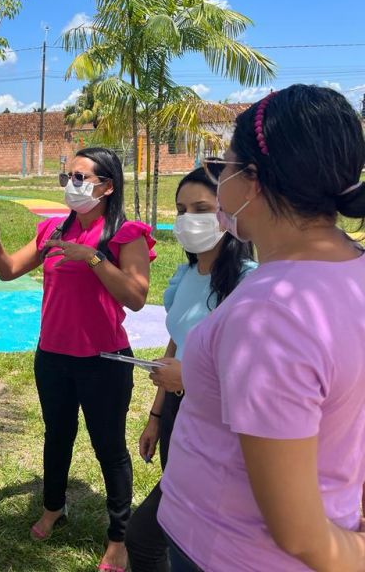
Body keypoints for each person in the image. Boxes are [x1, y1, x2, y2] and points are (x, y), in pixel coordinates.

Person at [158, 84, 365, 570]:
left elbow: (300, 534)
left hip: (228, 552)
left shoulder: (272, 313)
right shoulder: (349, 270)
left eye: (224, 166)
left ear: (251, 180)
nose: (219, 182)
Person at [0, 147, 155, 572]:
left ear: (107, 186)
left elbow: (136, 296)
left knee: (109, 446)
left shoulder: (126, 234)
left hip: (104, 358)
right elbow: (7, 270)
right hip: (52, 355)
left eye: (79, 177)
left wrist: (91, 258)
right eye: (68, 176)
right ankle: (54, 506)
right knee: (57, 435)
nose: (70, 184)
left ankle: (119, 536)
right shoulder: (52, 230)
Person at [124, 168, 256, 571]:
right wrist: (156, 414)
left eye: (202, 209)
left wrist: (187, 377)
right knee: (179, 527)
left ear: (228, 213)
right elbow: (176, 341)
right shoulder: (186, 276)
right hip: (178, 412)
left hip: (217, 421)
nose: (189, 220)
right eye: (182, 210)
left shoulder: (248, 284)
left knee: (146, 534)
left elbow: (250, 376)